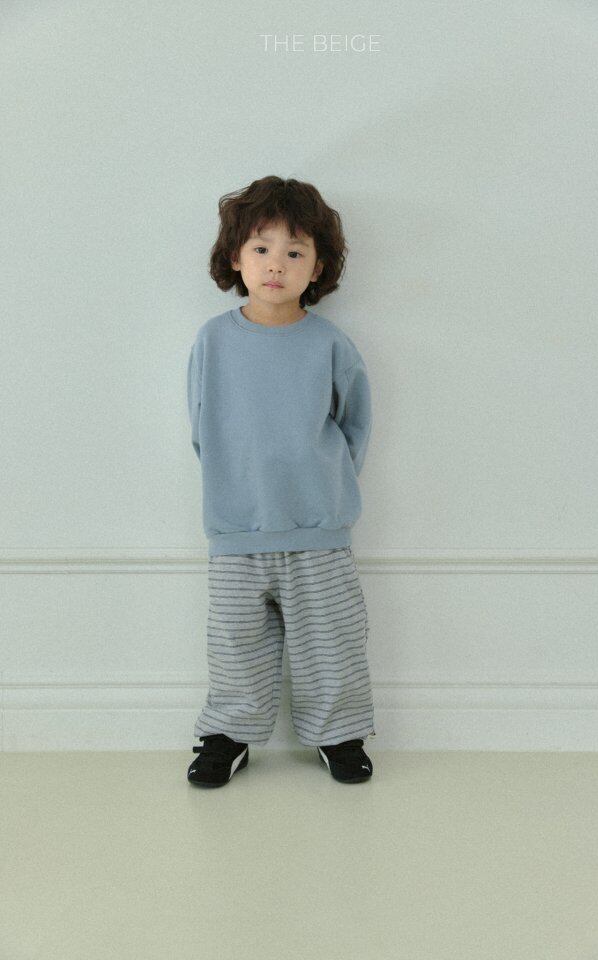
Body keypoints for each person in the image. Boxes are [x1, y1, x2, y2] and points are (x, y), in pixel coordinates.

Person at [186, 175, 375, 788]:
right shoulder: (214, 340)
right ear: (234, 258)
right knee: (236, 643)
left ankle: (340, 733)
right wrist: (236, 485)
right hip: (236, 528)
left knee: (332, 640)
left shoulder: (329, 344)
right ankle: (228, 735)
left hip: (319, 528)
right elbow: (202, 428)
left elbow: (354, 425)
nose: (276, 264)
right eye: (261, 248)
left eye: (295, 252)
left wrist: (324, 487)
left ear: (317, 268)